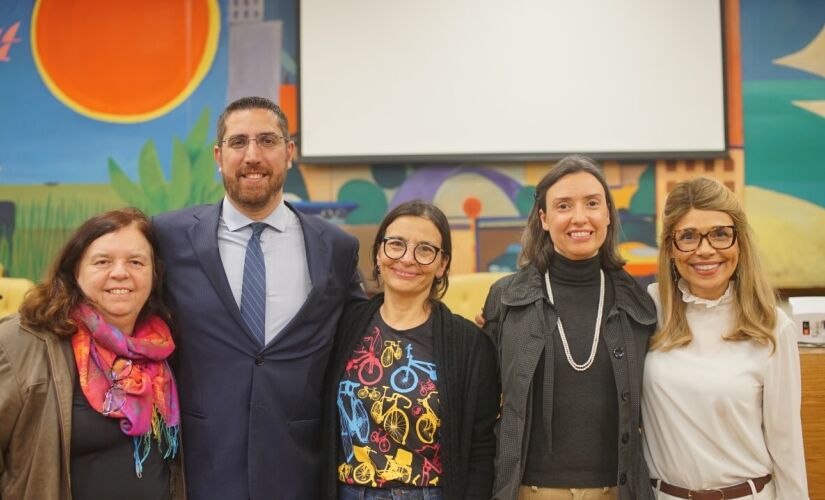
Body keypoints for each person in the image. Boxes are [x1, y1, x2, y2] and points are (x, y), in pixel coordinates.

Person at [153, 96, 364, 500]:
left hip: (298, 466)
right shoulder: (169, 237)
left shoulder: (335, 247)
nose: (252, 155)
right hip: (202, 466)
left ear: (289, 153)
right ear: (219, 155)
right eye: (238, 143)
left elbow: (363, 330)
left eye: (267, 141)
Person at [482, 155, 657, 500]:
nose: (580, 217)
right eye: (564, 206)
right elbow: (482, 409)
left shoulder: (640, 304)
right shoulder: (506, 299)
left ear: (607, 213)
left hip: (616, 491)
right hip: (529, 490)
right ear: (545, 219)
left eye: (592, 203)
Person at [0, 208, 183, 499]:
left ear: (154, 273)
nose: (120, 273)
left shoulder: (166, 345)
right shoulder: (20, 343)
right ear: (75, 270)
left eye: (136, 262)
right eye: (103, 262)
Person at [642, 177, 808, 499]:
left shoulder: (772, 327)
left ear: (739, 242)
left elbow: (787, 447)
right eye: (688, 236)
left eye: (720, 234)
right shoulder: (648, 312)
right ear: (670, 248)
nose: (705, 250)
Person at [322, 200, 499, 499]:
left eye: (425, 249)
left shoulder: (470, 345)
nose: (407, 259)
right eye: (396, 244)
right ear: (379, 253)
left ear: (442, 265)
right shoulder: (343, 326)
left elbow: (481, 449)